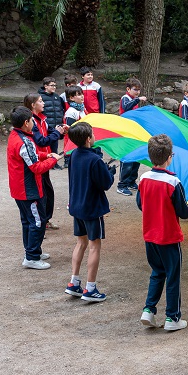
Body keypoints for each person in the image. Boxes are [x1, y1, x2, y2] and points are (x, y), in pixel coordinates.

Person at [136, 134, 188, 331]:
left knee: (157, 272)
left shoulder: (143, 178)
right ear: (169, 157)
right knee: (173, 275)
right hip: (169, 237)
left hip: (150, 236)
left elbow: (140, 204)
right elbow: (183, 212)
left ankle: (148, 310)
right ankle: (172, 317)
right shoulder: (173, 182)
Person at [64, 122, 116, 302]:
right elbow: (106, 184)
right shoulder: (95, 161)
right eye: (93, 134)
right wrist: (110, 173)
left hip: (77, 206)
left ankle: (74, 282)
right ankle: (90, 288)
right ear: (88, 139)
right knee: (94, 246)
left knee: (81, 243)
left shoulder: (74, 155)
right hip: (92, 208)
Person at [7, 106, 62, 270]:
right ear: (26, 122)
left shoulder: (16, 135)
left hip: (19, 189)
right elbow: (36, 167)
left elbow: (31, 155)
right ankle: (31, 256)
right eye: (32, 121)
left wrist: (47, 155)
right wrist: (54, 159)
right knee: (37, 222)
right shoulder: (24, 141)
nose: (34, 124)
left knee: (28, 221)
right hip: (29, 189)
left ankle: (33, 251)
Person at [22, 93, 66, 231]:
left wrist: (62, 130)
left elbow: (51, 132)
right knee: (41, 194)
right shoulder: (31, 122)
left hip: (45, 158)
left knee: (48, 192)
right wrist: (57, 134)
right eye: (40, 101)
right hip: (38, 160)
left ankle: (45, 221)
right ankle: (39, 223)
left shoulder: (43, 119)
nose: (44, 103)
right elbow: (40, 140)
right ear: (32, 105)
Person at [118, 77, 148, 196]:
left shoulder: (134, 99)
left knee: (136, 158)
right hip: (125, 133)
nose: (137, 92)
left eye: (139, 90)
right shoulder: (126, 98)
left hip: (134, 133)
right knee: (127, 159)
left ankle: (131, 181)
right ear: (128, 89)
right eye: (135, 90)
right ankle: (122, 185)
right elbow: (126, 107)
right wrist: (138, 100)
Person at [36, 76, 66, 159]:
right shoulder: (39, 97)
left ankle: (54, 161)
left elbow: (61, 109)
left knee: (55, 144)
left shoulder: (57, 97)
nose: (54, 87)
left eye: (55, 85)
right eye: (52, 85)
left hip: (56, 124)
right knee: (45, 143)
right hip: (46, 125)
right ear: (45, 86)